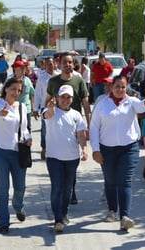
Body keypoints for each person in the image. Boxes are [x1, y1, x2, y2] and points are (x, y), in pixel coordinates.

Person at [89, 75, 145, 231]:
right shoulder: (102, 104)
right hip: (107, 149)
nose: (120, 90)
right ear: (111, 87)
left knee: (124, 181)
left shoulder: (131, 102)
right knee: (110, 180)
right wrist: (95, 150)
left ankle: (125, 216)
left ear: (127, 88)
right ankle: (112, 210)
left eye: (123, 87)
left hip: (128, 148)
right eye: (117, 86)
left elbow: (141, 106)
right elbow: (93, 127)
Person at [45, 52, 91, 205]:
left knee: (72, 158)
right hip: (56, 121)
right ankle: (63, 192)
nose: (67, 65)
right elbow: (47, 100)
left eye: (70, 62)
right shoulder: (53, 81)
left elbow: (86, 104)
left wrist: (89, 125)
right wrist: (48, 110)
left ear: (74, 64)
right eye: (65, 62)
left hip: (74, 123)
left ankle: (71, 190)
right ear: (60, 64)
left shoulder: (79, 80)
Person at [0, 77, 32, 235]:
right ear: (6, 88)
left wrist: (29, 138)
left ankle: (18, 206)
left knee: (20, 187)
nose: (16, 92)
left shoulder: (21, 107)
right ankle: (4, 222)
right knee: (3, 188)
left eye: (19, 90)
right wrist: (1, 113)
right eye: (13, 89)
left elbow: (25, 128)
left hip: (18, 152)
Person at [43, 85, 88, 232]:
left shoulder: (76, 115)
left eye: (68, 97)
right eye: (62, 96)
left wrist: (84, 149)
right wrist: (50, 109)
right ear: (57, 98)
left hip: (71, 158)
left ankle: (63, 213)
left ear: (72, 99)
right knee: (57, 187)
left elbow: (81, 134)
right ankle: (57, 218)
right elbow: (47, 115)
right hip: (54, 157)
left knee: (67, 188)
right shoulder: (50, 112)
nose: (65, 100)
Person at [33, 57, 59, 160]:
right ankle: (44, 147)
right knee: (45, 129)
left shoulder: (59, 76)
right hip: (45, 107)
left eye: (51, 64)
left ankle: (56, 148)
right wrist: (35, 109)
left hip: (58, 107)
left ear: (55, 64)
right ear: (45, 66)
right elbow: (38, 94)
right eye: (48, 64)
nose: (50, 66)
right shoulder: (42, 78)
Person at [8, 60, 35, 132]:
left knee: (27, 128)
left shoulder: (27, 80)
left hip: (26, 109)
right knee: (14, 129)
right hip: (13, 109)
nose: (24, 70)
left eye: (24, 68)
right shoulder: (10, 80)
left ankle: (27, 142)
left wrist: (32, 108)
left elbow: (32, 94)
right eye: (21, 68)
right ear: (15, 70)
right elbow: (5, 95)